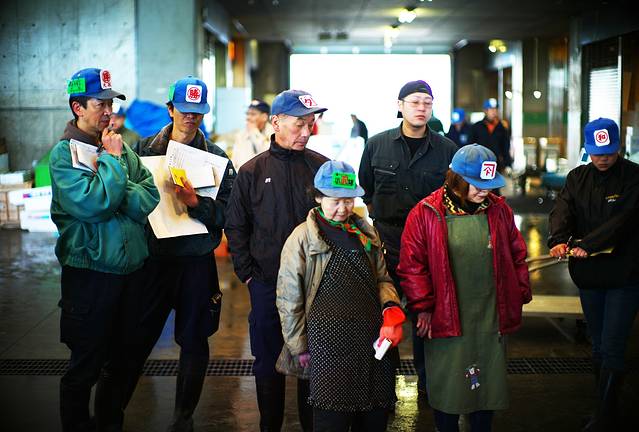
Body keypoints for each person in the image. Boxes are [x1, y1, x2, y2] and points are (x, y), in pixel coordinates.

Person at [108, 76, 235, 432]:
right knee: (135, 338)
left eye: (197, 111)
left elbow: (229, 213)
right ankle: (112, 414)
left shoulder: (217, 158)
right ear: (170, 109)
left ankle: (183, 419)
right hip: (153, 260)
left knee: (194, 340)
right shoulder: (143, 150)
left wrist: (197, 204)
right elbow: (124, 198)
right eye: (184, 110)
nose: (190, 117)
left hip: (196, 261)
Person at [50, 67, 160, 432]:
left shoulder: (119, 146)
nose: (109, 111)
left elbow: (149, 197)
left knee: (123, 364)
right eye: (101, 104)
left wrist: (113, 181)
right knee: (86, 365)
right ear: (78, 107)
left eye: (111, 103)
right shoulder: (64, 155)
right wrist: (113, 168)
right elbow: (94, 204)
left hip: (131, 274)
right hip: (90, 276)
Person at [398, 144, 531, 432]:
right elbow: (412, 265)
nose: (484, 191)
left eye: (489, 184)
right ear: (456, 179)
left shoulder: (499, 210)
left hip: (489, 315)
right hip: (446, 316)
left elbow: (517, 254)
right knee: (447, 384)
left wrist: (519, 293)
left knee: (488, 386)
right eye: (477, 184)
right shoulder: (425, 212)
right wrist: (423, 307)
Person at [225, 89, 328, 431]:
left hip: (316, 286)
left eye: (310, 124)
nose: (306, 132)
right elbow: (236, 225)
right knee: (268, 362)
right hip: (267, 283)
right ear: (276, 122)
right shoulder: (252, 171)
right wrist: (248, 274)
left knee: (313, 362)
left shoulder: (321, 167)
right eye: (299, 124)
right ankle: (270, 424)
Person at [277, 160, 405, 432]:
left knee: (373, 417)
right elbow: (289, 300)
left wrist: (391, 307)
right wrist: (298, 345)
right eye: (335, 201)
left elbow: (382, 279)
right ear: (318, 197)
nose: (343, 208)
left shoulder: (365, 232)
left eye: (348, 201)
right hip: (326, 348)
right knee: (331, 419)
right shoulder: (301, 238)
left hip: (371, 343)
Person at [358, 79, 457, 395]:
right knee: (385, 315)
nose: (421, 108)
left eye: (427, 103)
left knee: (428, 317)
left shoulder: (447, 150)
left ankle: (430, 386)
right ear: (400, 106)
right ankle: (382, 389)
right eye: (415, 102)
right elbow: (366, 189)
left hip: (431, 244)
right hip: (387, 242)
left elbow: (454, 196)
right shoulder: (377, 145)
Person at [548, 118, 639, 431]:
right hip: (589, 275)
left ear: (618, 147)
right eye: (597, 152)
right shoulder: (577, 177)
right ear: (587, 149)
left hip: (625, 274)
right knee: (598, 345)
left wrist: (588, 244)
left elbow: (624, 220)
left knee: (613, 346)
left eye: (609, 152)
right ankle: (603, 410)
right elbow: (562, 210)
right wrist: (558, 239)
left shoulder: (634, 177)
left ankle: (604, 417)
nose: (603, 158)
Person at [470, 98, 511, 171]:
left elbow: (506, 148)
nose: (494, 112)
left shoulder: (502, 128)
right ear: (485, 111)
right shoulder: (476, 127)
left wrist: (507, 164)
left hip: (497, 166)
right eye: (491, 109)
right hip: (479, 165)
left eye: (496, 109)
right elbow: (471, 146)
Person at [232, 99, 274, 169]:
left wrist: (255, 133)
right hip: (242, 174)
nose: (248, 117)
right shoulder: (241, 135)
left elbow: (267, 158)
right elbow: (235, 161)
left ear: (264, 117)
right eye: (247, 114)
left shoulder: (274, 134)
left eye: (253, 114)